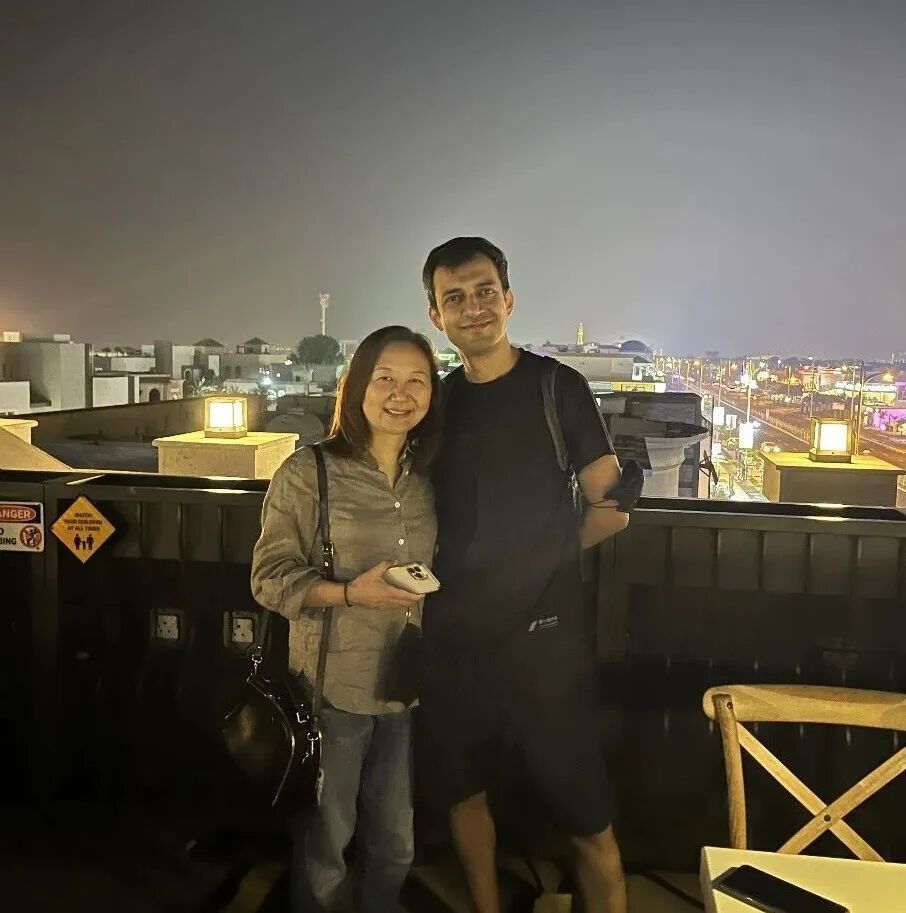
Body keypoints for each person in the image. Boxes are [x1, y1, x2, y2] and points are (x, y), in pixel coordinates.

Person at [421, 237, 634, 913]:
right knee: (464, 794)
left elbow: (612, 508)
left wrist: (543, 560)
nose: (474, 307)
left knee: (587, 815)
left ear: (509, 299)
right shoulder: (436, 402)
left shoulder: (556, 387)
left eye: (485, 291)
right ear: (436, 316)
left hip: (547, 642)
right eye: (455, 297)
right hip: (455, 640)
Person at [250, 325, 443, 913]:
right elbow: (269, 578)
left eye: (416, 380)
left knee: (396, 842)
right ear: (356, 386)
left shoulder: (429, 478)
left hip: (403, 684)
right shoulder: (309, 472)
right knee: (327, 843)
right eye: (385, 378)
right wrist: (349, 593)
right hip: (330, 687)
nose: (400, 394)